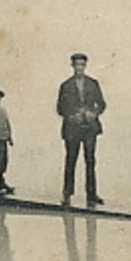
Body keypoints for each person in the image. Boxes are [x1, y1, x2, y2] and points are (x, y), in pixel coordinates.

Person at [56, 52, 106, 208]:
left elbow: (102, 104)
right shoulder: (65, 85)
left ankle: (92, 195)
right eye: (77, 65)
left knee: (90, 160)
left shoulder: (93, 83)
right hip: (72, 128)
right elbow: (60, 108)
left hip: (90, 128)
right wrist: (71, 116)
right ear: (72, 66)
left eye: (82, 65)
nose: (79, 68)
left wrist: (94, 113)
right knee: (71, 159)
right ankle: (67, 193)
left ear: (85, 66)